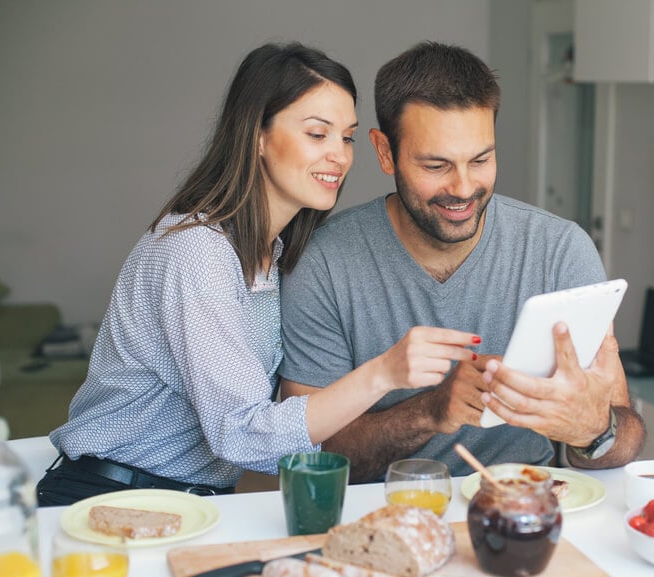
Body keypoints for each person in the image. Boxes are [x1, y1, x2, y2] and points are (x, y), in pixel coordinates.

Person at [37, 42, 480, 506]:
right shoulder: (196, 250)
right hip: (111, 499)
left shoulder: (274, 252)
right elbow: (243, 434)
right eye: (317, 134)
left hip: (191, 502)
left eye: (346, 137)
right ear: (258, 136)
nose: (339, 156)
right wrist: (384, 374)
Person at [279, 41, 646, 483]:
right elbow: (309, 457)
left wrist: (592, 430)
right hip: (387, 511)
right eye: (436, 165)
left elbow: (623, 442)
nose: (464, 187)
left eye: (481, 159)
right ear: (384, 151)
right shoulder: (323, 264)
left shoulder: (559, 250)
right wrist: (431, 411)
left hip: (524, 507)